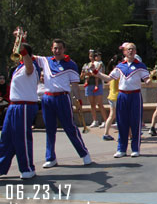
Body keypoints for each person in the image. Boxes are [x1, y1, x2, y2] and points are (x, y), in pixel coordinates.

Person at [36, 39, 91, 168]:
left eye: (60, 48)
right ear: (51, 49)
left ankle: (84, 154)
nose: (57, 50)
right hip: (48, 98)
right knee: (49, 129)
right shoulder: (45, 61)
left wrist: (79, 100)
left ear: (64, 49)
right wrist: (22, 39)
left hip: (63, 98)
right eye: (55, 48)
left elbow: (75, 86)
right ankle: (50, 158)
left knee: (69, 128)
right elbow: (29, 55)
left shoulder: (71, 64)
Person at [94, 42, 149, 158]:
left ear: (135, 52)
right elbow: (109, 78)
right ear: (124, 52)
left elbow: (146, 79)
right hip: (122, 96)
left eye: (133, 49)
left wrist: (149, 81)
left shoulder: (140, 66)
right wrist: (97, 73)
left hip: (135, 95)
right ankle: (121, 149)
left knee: (135, 122)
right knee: (122, 122)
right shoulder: (120, 67)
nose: (130, 51)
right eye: (128, 49)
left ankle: (135, 148)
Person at [0, 42, 40, 179]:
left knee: (21, 139)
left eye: (18, 50)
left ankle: (28, 168)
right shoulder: (18, 68)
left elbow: (29, 67)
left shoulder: (32, 66)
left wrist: (23, 49)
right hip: (14, 106)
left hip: (24, 105)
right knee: (6, 138)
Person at [81, 50, 107, 128]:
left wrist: (92, 74)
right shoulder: (86, 65)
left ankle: (105, 120)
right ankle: (95, 120)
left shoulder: (99, 64)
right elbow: (82, 76)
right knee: (92, 104)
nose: (92, 58)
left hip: (97, 84)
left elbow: (100, 74)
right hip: (89, 85)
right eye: (90, 56)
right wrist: (85, 74)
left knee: (100, 104)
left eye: (93, 56)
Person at [102, 54, 121, 141]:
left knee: (111, 115)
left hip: (111, 96)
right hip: (118, 97)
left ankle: (106, 133)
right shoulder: (118, 73)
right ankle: (128, 133)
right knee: (122, 116)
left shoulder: (112, 72)